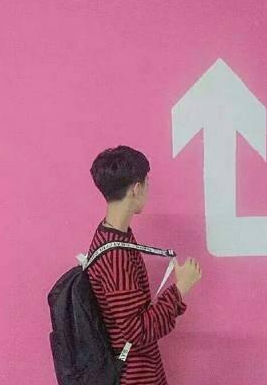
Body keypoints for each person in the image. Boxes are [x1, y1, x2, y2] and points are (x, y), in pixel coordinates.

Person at [86, 145, 202, 385]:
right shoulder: (116, 256)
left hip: (139, 372)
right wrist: (181, 288)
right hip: (135, 376)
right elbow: (137, 332)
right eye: (147, 183)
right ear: (136, 189)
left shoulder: (114, 236)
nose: (148, 190)